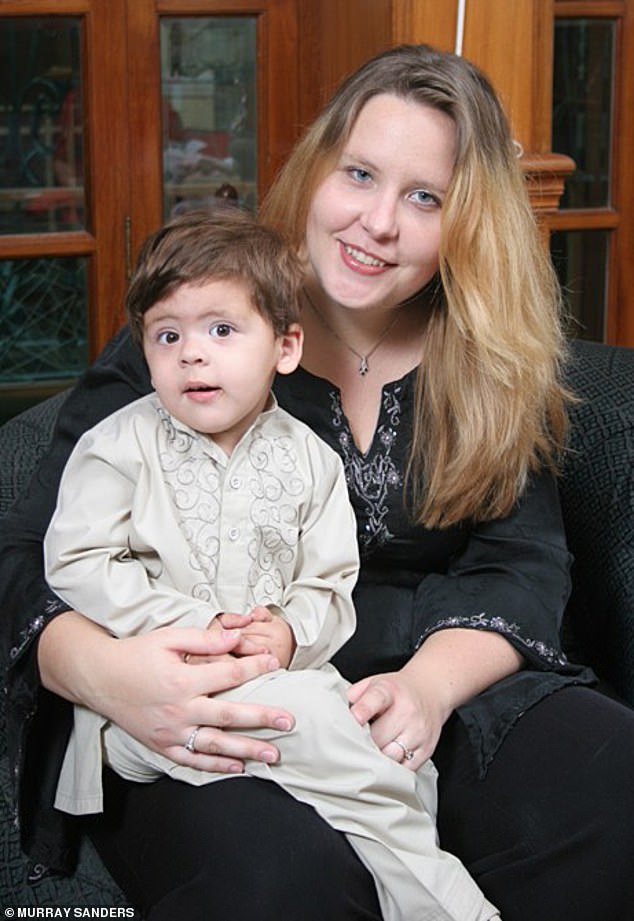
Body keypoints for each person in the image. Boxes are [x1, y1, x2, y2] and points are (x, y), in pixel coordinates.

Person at [2, 42, 634, 921]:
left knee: (618, 794)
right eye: (360, 174)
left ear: (469, 221)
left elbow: (522, 569)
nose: (378, 221)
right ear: (315, 171)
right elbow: (30, 551)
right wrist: (117, 680)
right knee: (283, 883)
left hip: (425, 687)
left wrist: (428, 688)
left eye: (425, 198)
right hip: (208, 701)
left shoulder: (486, 359)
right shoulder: (201, 333)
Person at [42, 208, 498, 921]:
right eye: (168, 335)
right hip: (148, 706)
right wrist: (194, 625)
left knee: (366, 757)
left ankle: (402, 866)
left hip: (275, 678)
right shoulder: (117, 446)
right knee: (353, 753)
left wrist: (286, 632)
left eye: (222, 330)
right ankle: (454, 907)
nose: (193, 353)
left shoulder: (310, 460)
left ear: (285, 346)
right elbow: (76, 560)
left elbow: (329, 584)